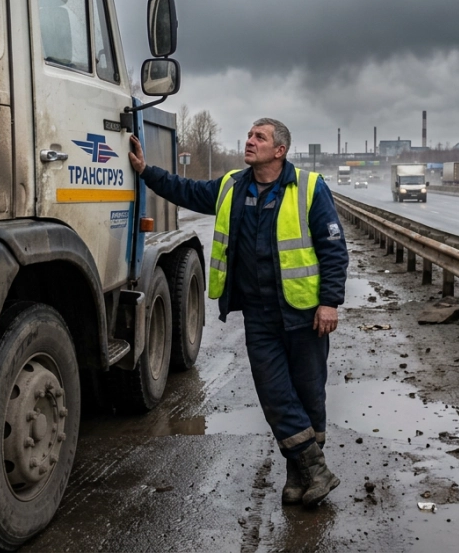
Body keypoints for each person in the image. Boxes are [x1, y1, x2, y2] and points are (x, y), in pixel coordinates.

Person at [128, 118, 348, 507]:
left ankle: (300, 476)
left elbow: (333, 249)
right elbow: (187, 190)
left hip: (304, 313)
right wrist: (147, 172)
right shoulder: (232, 185)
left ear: (279, 151)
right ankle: (315, 470)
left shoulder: (310, 189)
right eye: (248, 135)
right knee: (274, 394)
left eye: (259, 137)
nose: (249, 141)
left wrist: (329, 302)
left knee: (309, 395)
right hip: (260, 315)